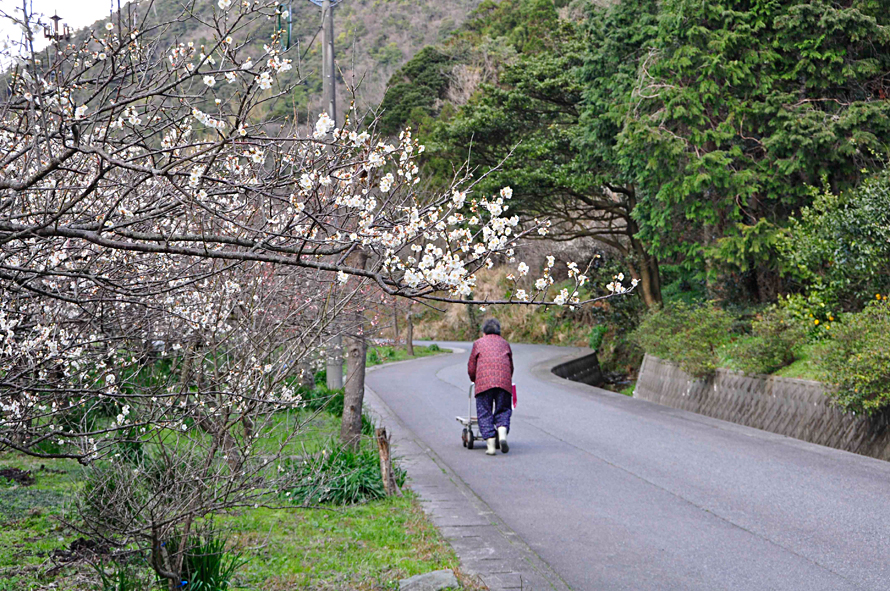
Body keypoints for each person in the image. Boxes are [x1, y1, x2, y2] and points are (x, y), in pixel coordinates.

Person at [467, 318, 513, 455]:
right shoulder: (505, 344)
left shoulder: (478, 343)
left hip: (484, 383)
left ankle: (491, 446)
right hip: (504, 382)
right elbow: (511, 366)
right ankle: (502, 435)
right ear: (499, 332)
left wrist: (474, 379)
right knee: (503, 409)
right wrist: (507, 379)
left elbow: (471, 367)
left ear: (483, 332)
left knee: (484, 411)